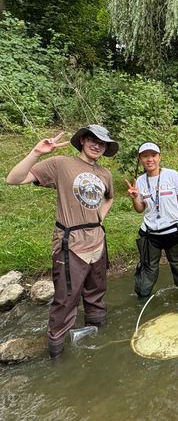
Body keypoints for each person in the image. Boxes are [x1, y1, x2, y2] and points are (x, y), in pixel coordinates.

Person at [6, 125, 118, 359]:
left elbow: (110, 198)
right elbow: (14, 179)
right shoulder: (61, 164)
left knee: (97, 295)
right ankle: (57, 356)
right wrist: (36, 153)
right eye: (93, 140)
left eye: (102, 143)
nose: (97, 146)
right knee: (65, 300)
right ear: (83, 141)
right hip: (71, 244)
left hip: (97, 242)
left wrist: (99, 218)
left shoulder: (105, 174)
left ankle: (99, 344)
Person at [126, 142, 178, 299]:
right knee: (148, 268)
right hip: (150, 233)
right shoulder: (141, 181)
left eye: (153, 155)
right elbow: (140, 209)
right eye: (145, 156)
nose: (150, 159)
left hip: (174, 230)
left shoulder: (172, 175)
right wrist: (135, 198)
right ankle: (142, 299)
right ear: (140, 158)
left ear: (159, 157)